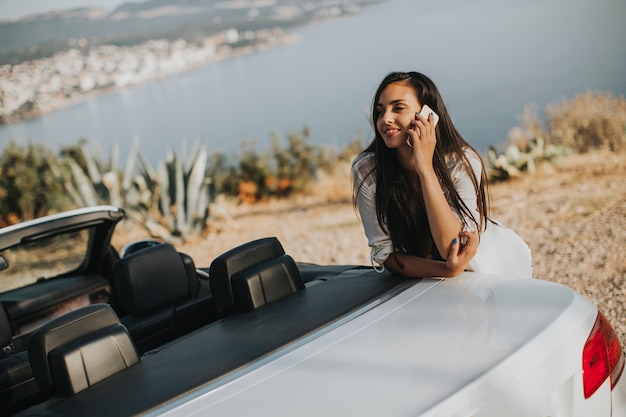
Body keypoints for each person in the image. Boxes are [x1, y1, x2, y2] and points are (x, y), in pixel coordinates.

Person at [352, 71, 533, 279]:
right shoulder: (368, 170)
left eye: (398, 108)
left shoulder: (462, 162)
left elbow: (452, 249)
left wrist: (425, 169)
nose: (386, 119)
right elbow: (387, 255)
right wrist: (446, 270)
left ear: (428, 114)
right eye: (380, 111)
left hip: (489, 268)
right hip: (425, 278)